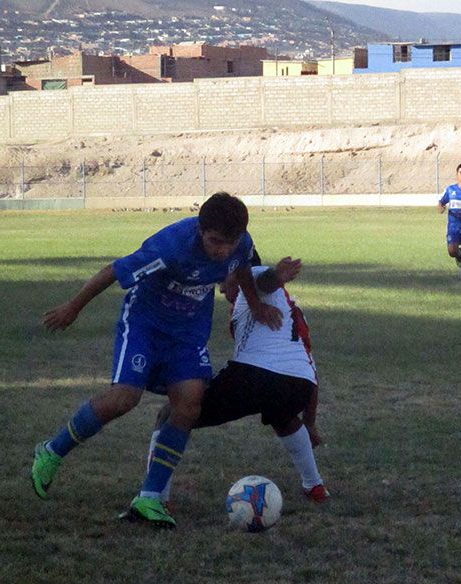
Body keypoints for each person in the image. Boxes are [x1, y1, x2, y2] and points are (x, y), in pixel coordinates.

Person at [31, 192, 281, 529]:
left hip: (188, 333)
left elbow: (244, 269)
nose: (223, 250)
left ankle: (149, 498)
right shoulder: (171, 247)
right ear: (200, 231)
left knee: (190, 404)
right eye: (215, 242)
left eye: (229, 242)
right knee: (124, 399)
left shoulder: (239, 243)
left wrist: (254, 305)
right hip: (145, 324)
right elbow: (113, 271)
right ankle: (52, 451)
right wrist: (72, 308)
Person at [132, 255, 329, 517]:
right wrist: (311, 421)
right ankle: (315, 486)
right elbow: (309, 367)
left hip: (255, 376)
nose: (222, 288)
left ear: (237, 271)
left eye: (223, 278)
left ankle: (154, 496)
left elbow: (265, 281)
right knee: (284, 417)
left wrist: (276, 275)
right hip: (298, 383)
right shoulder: (291, 308)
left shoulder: (254, 277)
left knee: (171, 414)